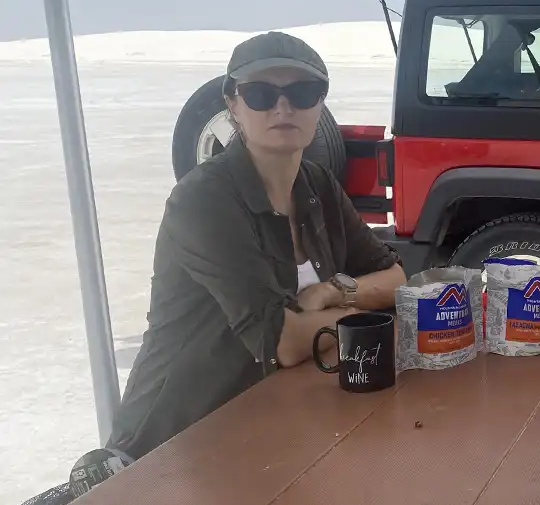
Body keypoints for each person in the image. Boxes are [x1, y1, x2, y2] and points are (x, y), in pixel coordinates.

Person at [105, 31, 407, 461]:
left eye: (302, 92)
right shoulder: (204, 202)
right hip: (177, 445)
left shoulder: (317, 185)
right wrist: (365, 319)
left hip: (269, 427)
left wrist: (333, 293)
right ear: (233, 104)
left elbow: (396, 277)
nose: (283, 107)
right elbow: (281, 342)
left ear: (320, 102)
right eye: (261, 93)